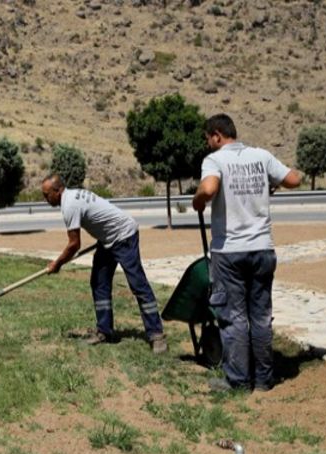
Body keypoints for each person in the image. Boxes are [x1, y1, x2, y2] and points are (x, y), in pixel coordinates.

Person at [192, 114, 302, 392]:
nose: (208, 144)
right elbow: (294, 179)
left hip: (230, 251)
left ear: (217, 135)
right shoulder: (260, 156)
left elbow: (209, 187)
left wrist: (198, 200)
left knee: (234, 318)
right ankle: (264, 380)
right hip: (262, 249)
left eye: (208, 139)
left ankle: (239, 381)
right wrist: (269, 185)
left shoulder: (215, 160)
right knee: (261, 317)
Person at [42, 174, 167, 352]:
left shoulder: (69, 205)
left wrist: (58, 264)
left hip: (123, 236)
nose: (45, 199)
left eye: (47, 195)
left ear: (58, 190)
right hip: (107, 240)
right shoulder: (71, 196)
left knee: (137, 284)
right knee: (99, 282)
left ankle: (156, 334)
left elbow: (74, 245)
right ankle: (104, 331)